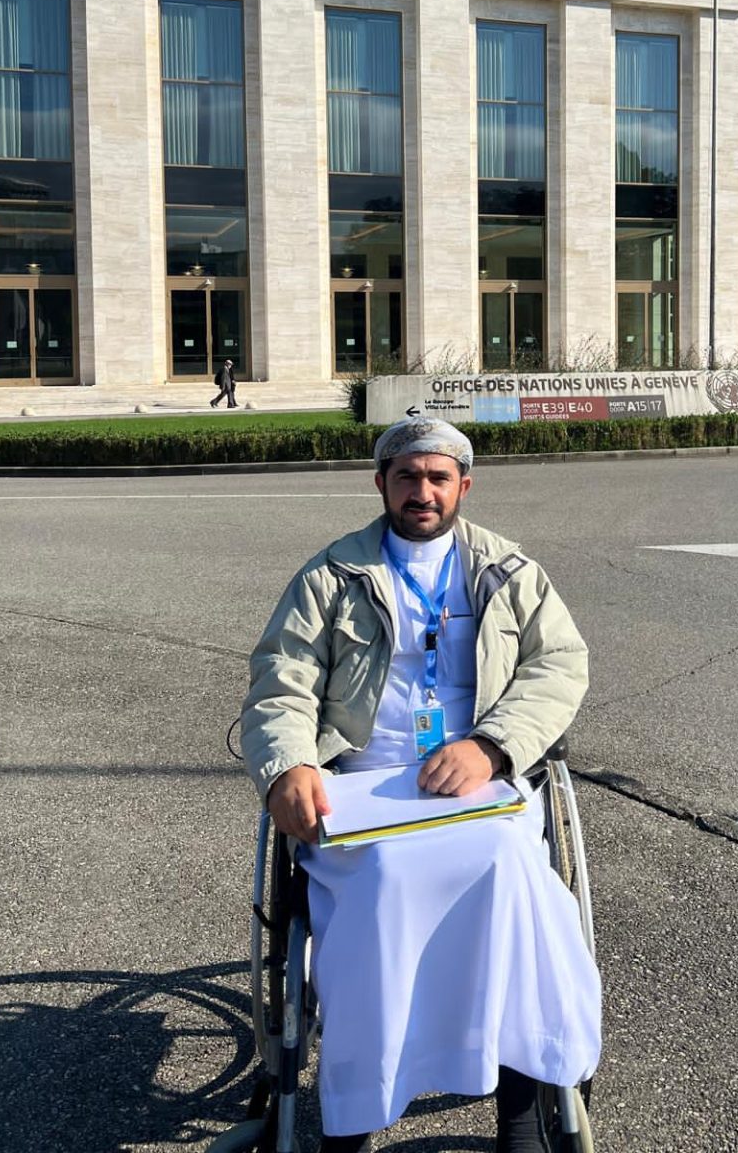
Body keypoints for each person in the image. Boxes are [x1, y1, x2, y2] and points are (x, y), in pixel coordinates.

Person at [240, 416, 601, 1153]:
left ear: (465, 486)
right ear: (381, 483)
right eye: (407, 476)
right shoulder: (332, 575)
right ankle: (358, 1110)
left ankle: (520, 1108)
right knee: (383, 880)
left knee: (511, 872)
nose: (422, 492)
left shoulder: (508, 571)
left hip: (477, 782)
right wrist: (288, 765)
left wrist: (492, 747)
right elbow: (282, 681)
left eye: (439, 478)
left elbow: (559, 665)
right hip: (364, 781)